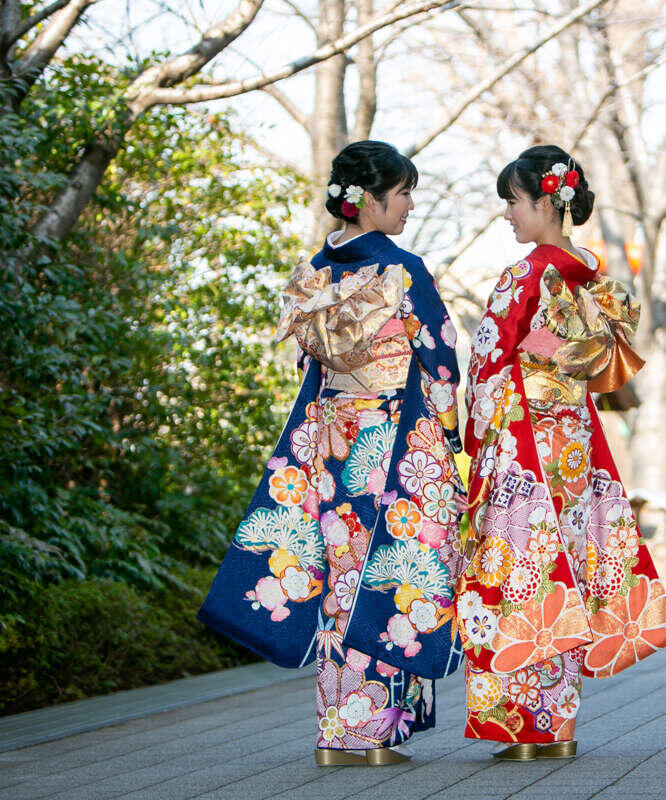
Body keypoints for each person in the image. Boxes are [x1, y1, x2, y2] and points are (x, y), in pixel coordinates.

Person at [199, 141, 467, 766]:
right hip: (395, 439)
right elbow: (441, 358)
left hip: (329, 438)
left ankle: (341, 724)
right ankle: (362, 733)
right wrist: (452, 439)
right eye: (402, 194)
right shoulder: (401, 270)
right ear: (370, 200)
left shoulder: (314, 272)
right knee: (389, 573)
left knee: (338, 576)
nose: (407, 206)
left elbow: (309, 363)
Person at [457, 145, 666, 761]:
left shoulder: (526, 276)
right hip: (573, 442)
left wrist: (474, 436)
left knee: (516, 570)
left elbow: (488, 363)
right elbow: (582, 359)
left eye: (513, 201)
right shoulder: (589, 273)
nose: (507, 213)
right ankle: (555, 723)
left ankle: (521, 725)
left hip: (522, 439)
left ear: (545, 202)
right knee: (564, 569)